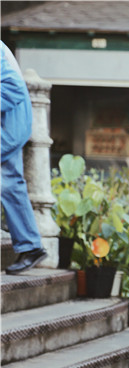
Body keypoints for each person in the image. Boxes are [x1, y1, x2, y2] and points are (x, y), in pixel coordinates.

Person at [1, 41, 47, 274]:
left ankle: (30, 245)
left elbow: (14, 89)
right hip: (12, 124)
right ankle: (31, 246)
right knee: (10, 184)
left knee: (9, 183)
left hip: (8, 127)